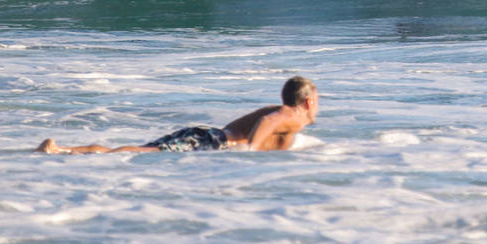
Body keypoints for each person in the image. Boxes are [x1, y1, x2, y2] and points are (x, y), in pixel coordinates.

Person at [35, 76, 318, 154]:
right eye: (316, 100)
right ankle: (61, 150)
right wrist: (249, 149)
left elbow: (249, 125)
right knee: (140, 151)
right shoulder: (290, 115)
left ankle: (62, 150)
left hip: (209, 136)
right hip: (211, 141)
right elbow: (268, 123)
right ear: (305, 101)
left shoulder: (283, 114)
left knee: (143, 149)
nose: (318, 105)